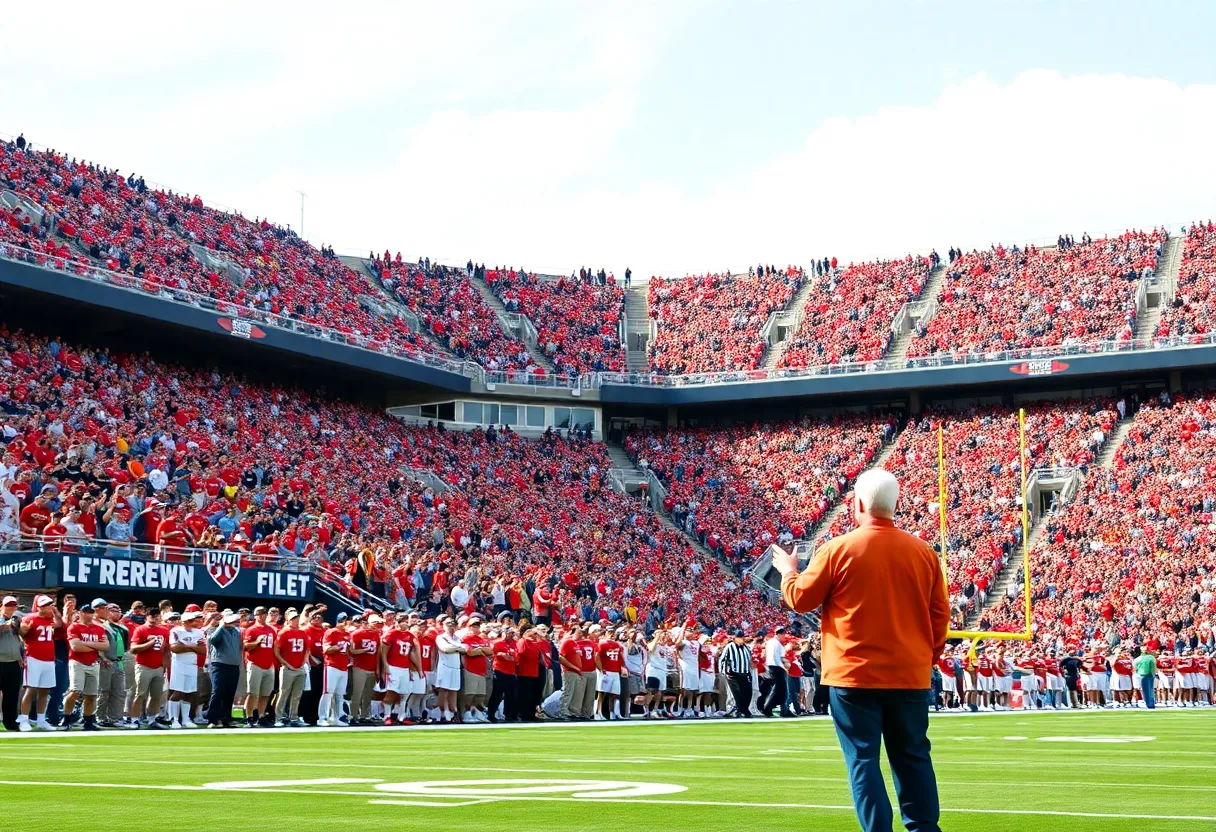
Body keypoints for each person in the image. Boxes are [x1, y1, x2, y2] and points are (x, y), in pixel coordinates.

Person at [775, 468, 948, 832]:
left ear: (858, 504)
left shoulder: (838, 549)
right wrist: (923, 660)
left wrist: (789, 571)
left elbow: (800, 599)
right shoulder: (924, 553)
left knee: (863, 761)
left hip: (853, 677)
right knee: (914, 757)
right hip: (908, 676)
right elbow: (939, 619)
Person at [18, 594, 63, 731]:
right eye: (46, 605)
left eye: (50, 604)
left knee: (44, 691)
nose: (50, 607)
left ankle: (41, 720)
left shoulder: (50, 619)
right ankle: (24, 719)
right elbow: (22, 633)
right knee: (30, 689)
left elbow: (59, 624)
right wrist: (23, 630)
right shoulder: (30, 618)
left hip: (49, 659)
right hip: (33, 658)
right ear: (40, 607)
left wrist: (57, 614)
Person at [61, 602, 109, 730]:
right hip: (77, 662)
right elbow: (75, 647)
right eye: (86, 612)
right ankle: (66, 718)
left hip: (93, 663)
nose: (88, 615)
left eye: (91, 612)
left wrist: (86, 644)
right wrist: (94, 646)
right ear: (80, 613)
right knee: (75, 691)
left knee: (92, 695)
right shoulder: (74, 627)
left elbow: (105, 646)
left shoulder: (99, 628)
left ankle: (88, 721)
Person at [129, 608, 169, 729]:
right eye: (152, 615)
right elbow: (133, 649)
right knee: (140, 694)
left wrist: (164, 666)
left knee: (156, 696)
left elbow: (166, 650)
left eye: (157, 615)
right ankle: (134, 719)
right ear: (147, 616)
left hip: (158, 667)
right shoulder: (140, 630)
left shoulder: (164, 631)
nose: (154, 618)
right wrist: (149, 643)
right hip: (143, 666)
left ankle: (152, 719)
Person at [167, 610, 206, 728]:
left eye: (192, 620)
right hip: (178, 664)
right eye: (188, 621)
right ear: (182, 622)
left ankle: (185, 719)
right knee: (177, 692)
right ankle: (173, 719)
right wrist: (193, 647)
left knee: (189, 692)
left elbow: (203, 650)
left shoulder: (199, 632)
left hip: (192, 664)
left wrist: (186, 646)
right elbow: (174, 648)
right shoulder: (175, 631)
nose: (191, 623)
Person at [205, 612, 242, 728]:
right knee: (218, 691)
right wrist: (221, 626)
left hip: (233, 665)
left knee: (229, 693)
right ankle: (212, 719)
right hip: (219, 665)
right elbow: (213, 640)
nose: (234, 624)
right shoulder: (214, 630)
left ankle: (226, 719)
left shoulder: (236, 632)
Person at [242, 606, 277, 727]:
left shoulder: (271, 630)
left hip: (268, 664)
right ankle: (249, 716)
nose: (262, 616)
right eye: (259, 613)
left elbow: (275, 647)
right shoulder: (252, 630)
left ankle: (261, 716)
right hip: (255, 663)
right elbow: (246, 646)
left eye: (264, 613)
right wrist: (257, 642)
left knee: (265, 693)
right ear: (255, 615)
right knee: (253, 693)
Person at [274, 609, 309, 727]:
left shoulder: (302, 633)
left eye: (297, 618)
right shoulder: (283, 632)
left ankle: (294, 717)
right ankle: (279, 717)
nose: (296, 620)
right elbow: (277, 650)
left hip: (299, 667)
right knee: (284, 693)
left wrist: (304, 662)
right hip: (288, 668)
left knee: (297, 695)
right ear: (288, 620)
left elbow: (307, 649)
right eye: (293, 618)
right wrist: (285, 663)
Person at [319, 613, 352, 727]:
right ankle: (322, 718)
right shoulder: (331, 632)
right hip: (332, 665)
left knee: (340, 694)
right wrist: (337, 647)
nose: (345, 622)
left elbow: (349, 651)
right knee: (328, 692)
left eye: (346, 620)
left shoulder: (348, 634)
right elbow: (326, 649)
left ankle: (336, 717)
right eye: (343, 620)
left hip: (343, 666)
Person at [719, 629, 754, 718]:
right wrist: (723, 672)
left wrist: (749, 671)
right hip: (733, 674)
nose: (742, 639)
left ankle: (744, 709)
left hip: (745, 673)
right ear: (735, 638)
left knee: (748, 693)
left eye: (742, 637)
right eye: (740, 637)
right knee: (736, 693)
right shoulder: (729, 646)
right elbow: (722, 659)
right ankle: (735, 710)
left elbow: (749, 660)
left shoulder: (746, 648)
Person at [0, 597, 22, 731]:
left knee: (12, 694)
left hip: (13, 661)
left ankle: (10, 722)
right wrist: (5, 625)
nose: (11, 608)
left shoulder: (16, 619)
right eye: (9, 605)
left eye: (14, 605)